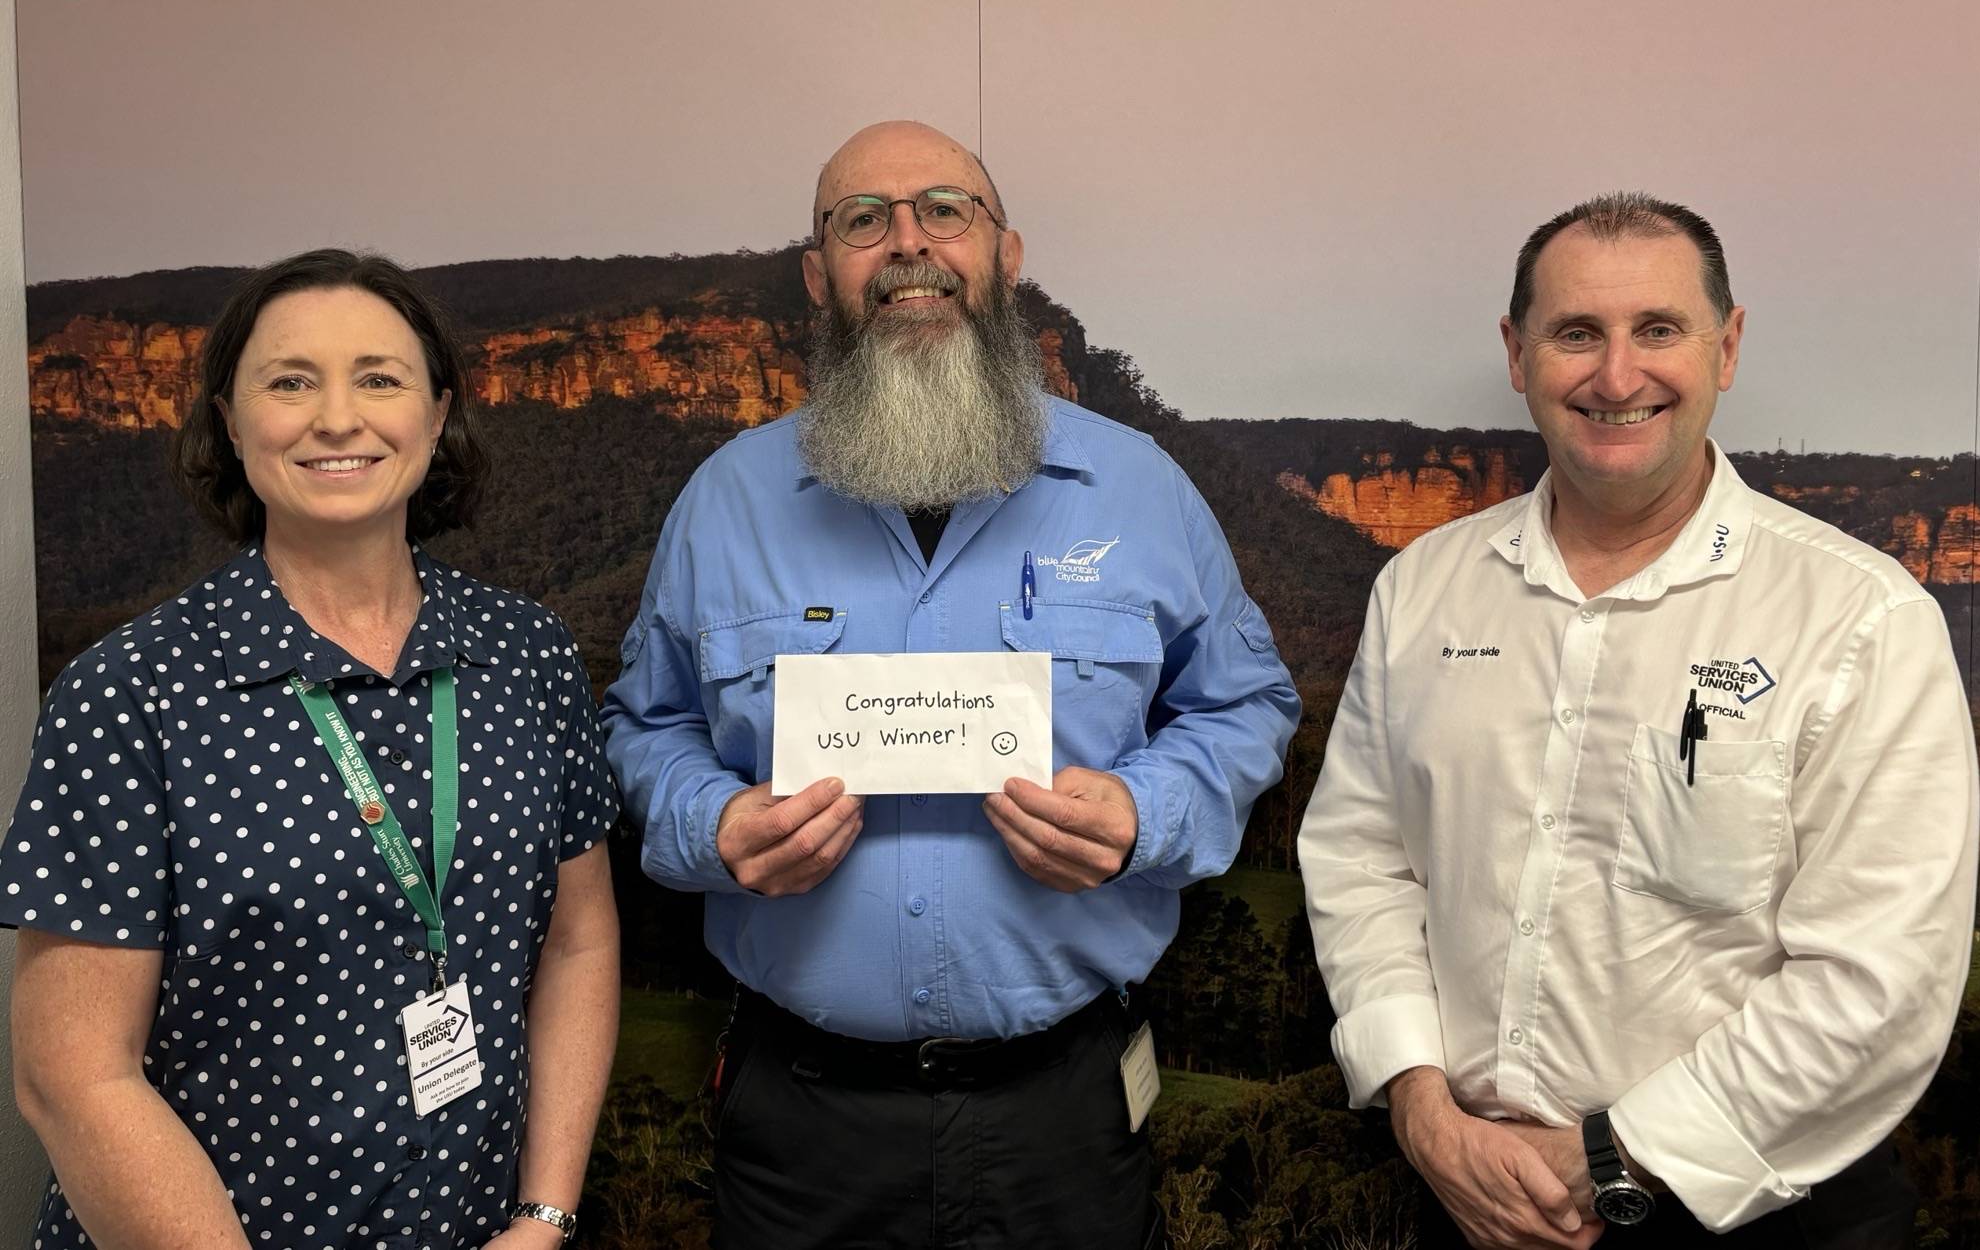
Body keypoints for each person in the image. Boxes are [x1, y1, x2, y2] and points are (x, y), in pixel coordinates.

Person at [604, 119, 1301, 1249]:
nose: (906, 244)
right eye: (861, 219)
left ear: (1005, 253)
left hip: (1060, 1112)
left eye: (945, 209)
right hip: (800, 1121)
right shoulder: (726, 499)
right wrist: (714, 820)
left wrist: (1145, 812)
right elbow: (648, 726)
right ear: (817, 270)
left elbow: (1245, 703)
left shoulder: (1137, 487)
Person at [1297, 192, 1976, 1248]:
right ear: (1516, 353)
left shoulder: (1861, 618)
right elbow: (1361, 856)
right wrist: (1419, 1102)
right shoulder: (1423, 589)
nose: (1617, 376)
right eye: (1577, 333)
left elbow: (1877, 977)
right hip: (1465, 1189)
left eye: (1657, 329)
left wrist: (1614, 1153)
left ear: (1728, 344)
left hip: (1756, 1212)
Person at [4, 250, 623, 1248]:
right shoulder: (131, 691)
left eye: (378, 377)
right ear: (230, 419)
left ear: (437, 410)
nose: (338, 417)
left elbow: (575, 939)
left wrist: (541, 1215)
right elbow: (72, 1078)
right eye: (291, 381)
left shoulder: (526, 653)